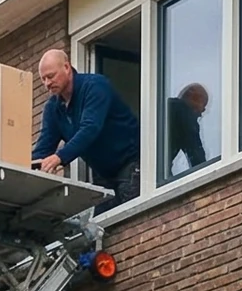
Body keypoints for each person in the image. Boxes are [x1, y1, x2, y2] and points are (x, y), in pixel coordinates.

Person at [31, 46, 141, 204]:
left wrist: (59, 158)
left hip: (131, 162)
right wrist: (26, 168)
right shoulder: (53, 108)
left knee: (131, 217)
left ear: (67, 67)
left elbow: (90, 128)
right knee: (100, 222)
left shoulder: (95, 86)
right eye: (43, 79)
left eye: (51, 76)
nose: (47, 83)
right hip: (103, 174)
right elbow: (44, 147)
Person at [165, 82, 210, 177]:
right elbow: (196, 155)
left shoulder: (163, 108)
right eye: (203, 105)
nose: (201, 112)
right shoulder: (184, 112)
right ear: (193, 98)